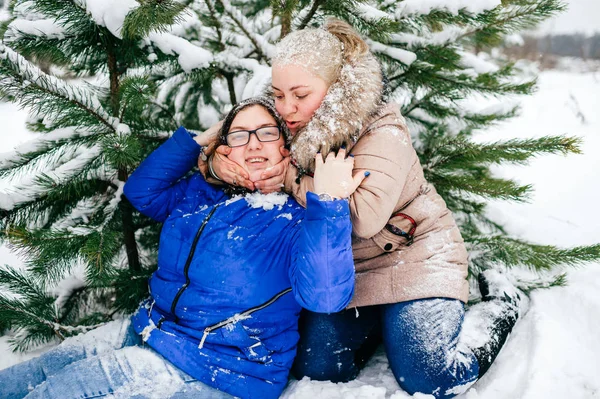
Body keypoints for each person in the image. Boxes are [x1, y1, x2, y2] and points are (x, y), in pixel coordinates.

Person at [204, 20, 527, 399]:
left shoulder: (382, 131)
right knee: (317, 365)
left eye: (300, 95)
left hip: (414, 256)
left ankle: (504, 303)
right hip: (350, 273)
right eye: (277, 95)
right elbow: (222, 140)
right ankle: (382, 323)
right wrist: (214, 163)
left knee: (430, 375)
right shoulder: (285, 119)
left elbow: (364, 217)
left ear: (336, 88)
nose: (286, 108)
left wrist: (290, 177)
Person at [0, 96, 366, 399]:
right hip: (152, 328)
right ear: (223, 148)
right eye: (239, 134)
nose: (253, 143)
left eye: (266, 133)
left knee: (63, 390)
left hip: (223, 368)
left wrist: (330, 204)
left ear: (285, 147)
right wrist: (200, 143)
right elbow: (141, 191)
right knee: (43, 369)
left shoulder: (295, 216)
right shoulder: (200, 192)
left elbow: (325, 297)